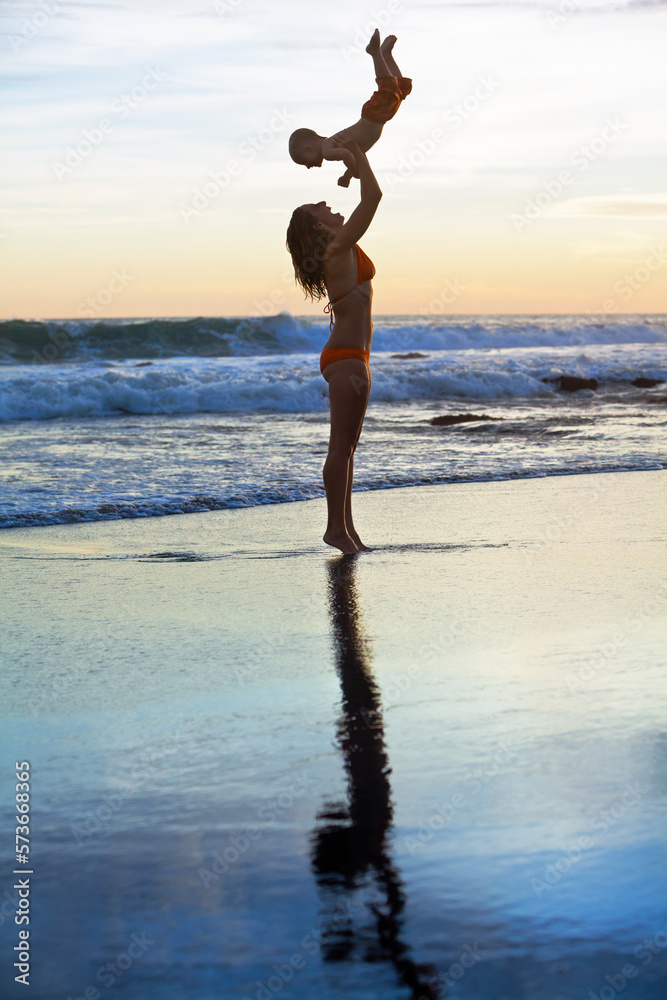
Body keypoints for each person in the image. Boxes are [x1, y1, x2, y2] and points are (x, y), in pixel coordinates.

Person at [286, 138, 382, 554]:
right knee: (340, 448)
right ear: (319, 229)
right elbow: (374, 195)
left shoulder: (338, 245)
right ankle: (334, 529)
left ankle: (346, 528)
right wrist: (351, 153)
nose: (325, 203)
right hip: (346, 361)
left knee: (348, 448)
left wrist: (352, 158)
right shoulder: (336, 247)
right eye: (318, 208)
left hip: (350, 358)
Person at [288, 29, 411, 187]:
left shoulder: (326, 151)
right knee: (400, 90)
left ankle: (375, 53)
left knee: (389, 89)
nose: (308, 166)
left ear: (309, 148)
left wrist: (354, 172)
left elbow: (347, 155)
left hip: (374, 116)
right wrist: (348, 175)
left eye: (305, 161)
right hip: (377, 116)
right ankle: (386, 55)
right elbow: (356, 153)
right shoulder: (335, 143)